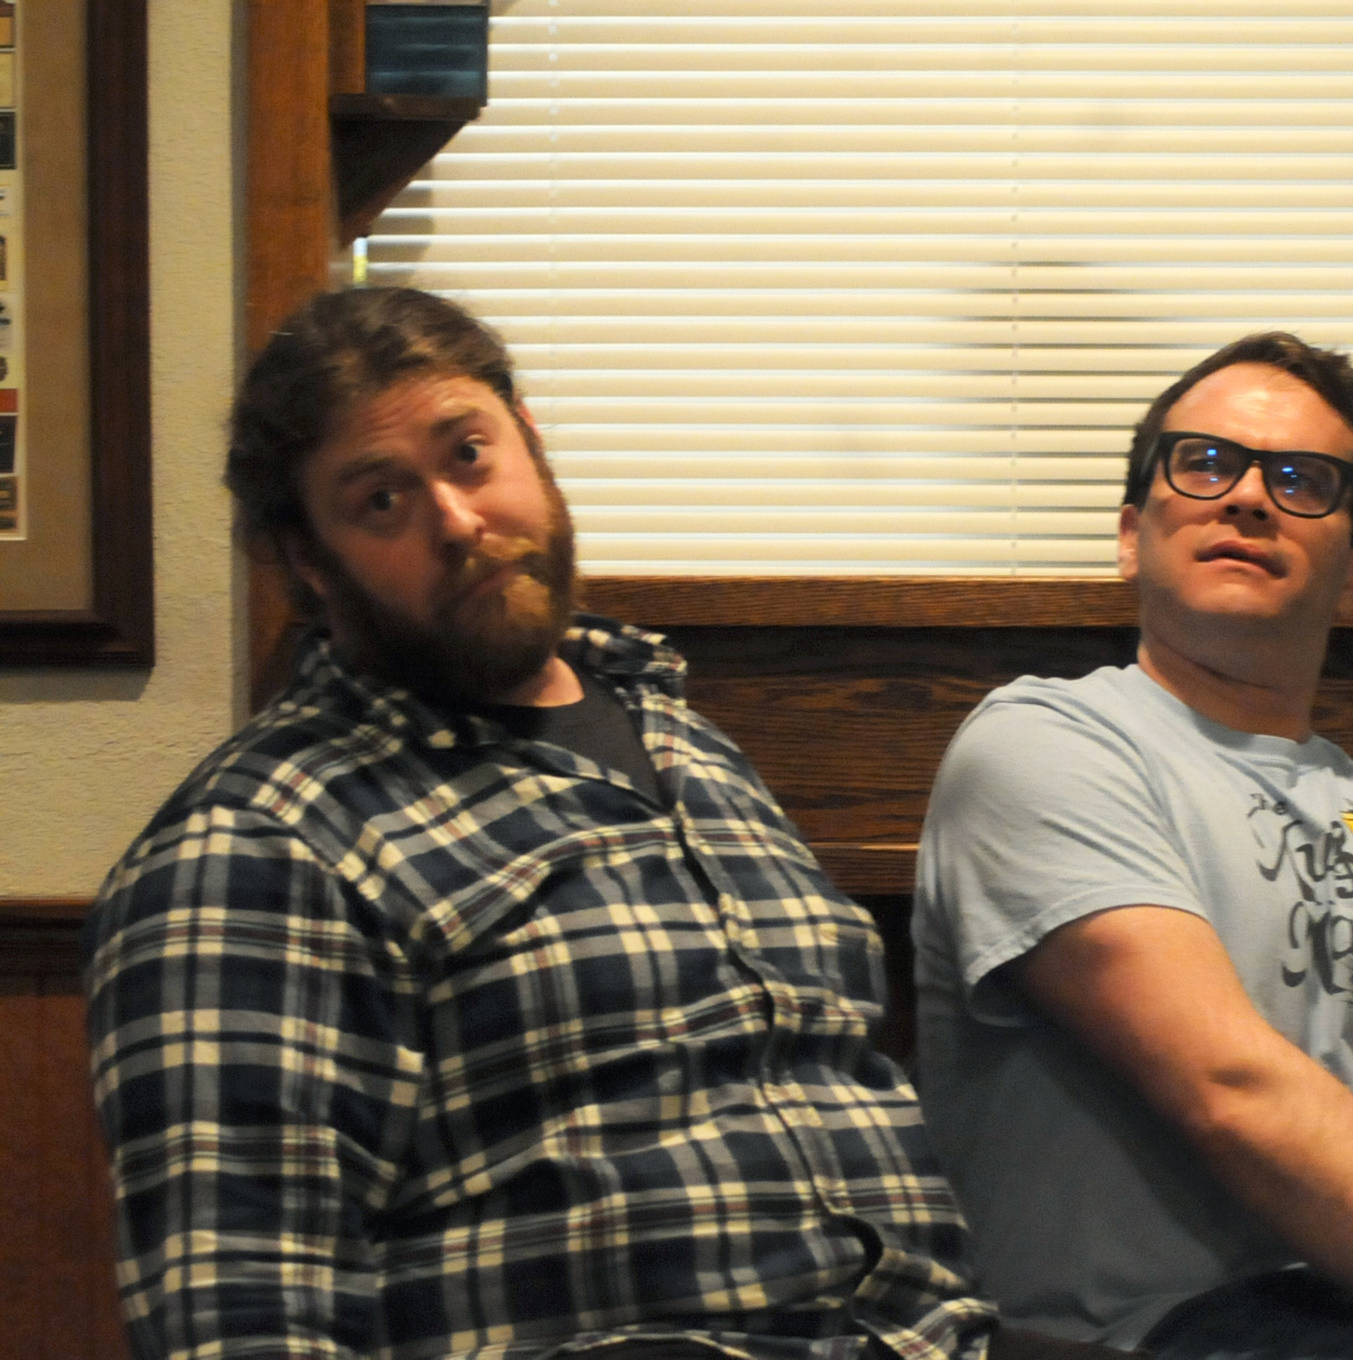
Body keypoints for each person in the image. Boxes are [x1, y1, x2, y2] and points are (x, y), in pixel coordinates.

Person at [86, 286, 1005, 1360]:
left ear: (528, 440)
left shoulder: (681, 737)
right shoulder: (258, 844)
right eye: (381, 501)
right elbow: (237, 1317)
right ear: (308, 561)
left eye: (467, 454)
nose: (458, 521)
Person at [911, 333, 1353, 1360]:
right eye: (1204, 462)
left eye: (1301, 481)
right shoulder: (1041, 743)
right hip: (1139, 1338)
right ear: (1130, 534)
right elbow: (1234, 1094)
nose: (1247, 497)